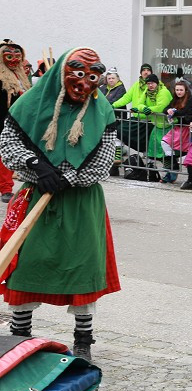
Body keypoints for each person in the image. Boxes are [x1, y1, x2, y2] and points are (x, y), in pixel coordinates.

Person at [1, 48, 121, 361]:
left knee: (81, 265)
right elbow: (10, 143)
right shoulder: (31, 102)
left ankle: (83, 340)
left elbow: (107, 156)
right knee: (27, 265)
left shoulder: (101, 110)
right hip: (36, 198)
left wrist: (71, 177)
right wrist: (36, 167)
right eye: (78, 74)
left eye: (92, 76)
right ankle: (19, 339)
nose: (84, 84)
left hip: (82, 202)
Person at [0, 40, 34, 203]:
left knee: (8, 154)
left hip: (16, 121)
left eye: (17, 56)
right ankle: (6, 188)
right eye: (9, 56)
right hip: (4, 119)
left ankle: (6, 187)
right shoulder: (1, 76)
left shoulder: (22, 76)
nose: (14, 60)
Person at [161, 78, 192, 183]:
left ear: (186, 90)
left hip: (186, 129)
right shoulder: (175, 99)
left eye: (181, 90)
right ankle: (174, 167)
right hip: (177, 128)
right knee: (165, 142)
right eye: (177, 90)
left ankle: (176, 174)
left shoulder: (191, 98)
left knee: (185, 153)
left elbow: (187, 112)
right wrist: (168, 110)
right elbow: (165, 109)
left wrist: (175, 112)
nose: (179, 92)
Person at [136, 74, 173, 169]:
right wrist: (145, 108)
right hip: (157, 125)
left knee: (167, 153)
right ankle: (153, 169)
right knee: (154, 150)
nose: (150, 85)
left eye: (152, 83)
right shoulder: (147, 92)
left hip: (168, 126)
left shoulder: (163, 92)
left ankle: (171, 172)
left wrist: (150, 110)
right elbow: (139, 104)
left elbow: (161, 107)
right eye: (148, 83)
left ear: (156, 83)